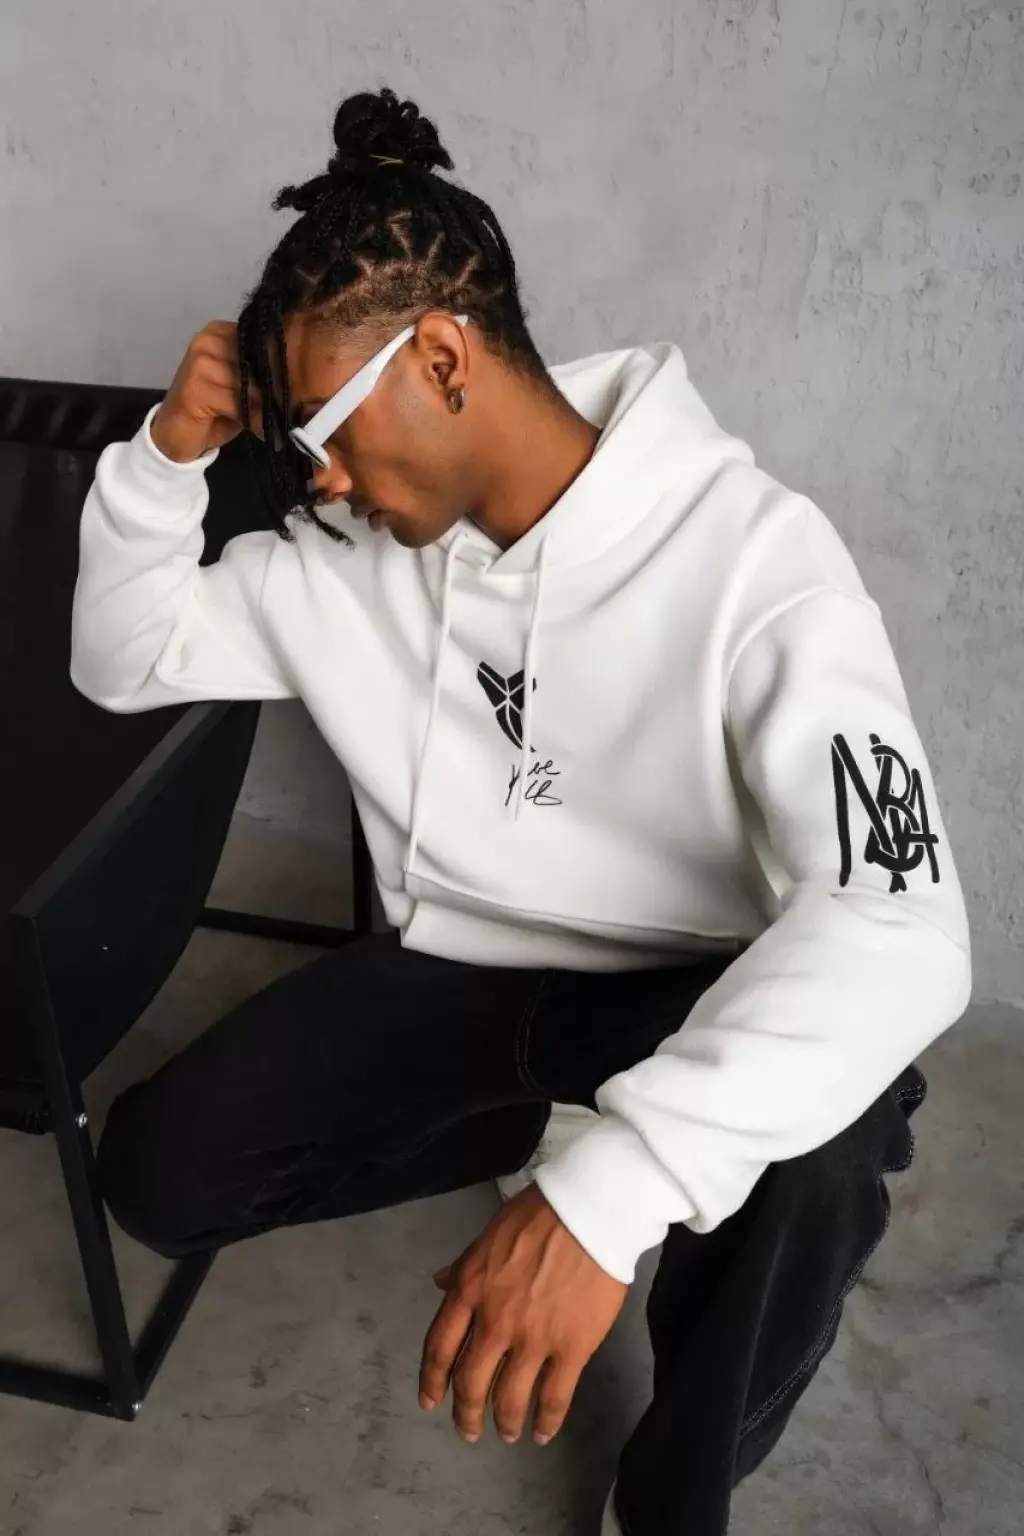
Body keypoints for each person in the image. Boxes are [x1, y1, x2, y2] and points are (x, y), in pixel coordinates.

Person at [70, 86, 971, 1535]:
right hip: (463, 979)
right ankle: (560, 1123)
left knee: (831, 1122)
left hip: (686, 989)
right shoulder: (347, 554)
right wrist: (170, 456)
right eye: (300, 452)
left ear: (441, 357)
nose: (321, 479)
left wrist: (615, 1191)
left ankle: (673, 1491)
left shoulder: (756, 562)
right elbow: (121, 661)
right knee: (156, 1176)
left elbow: (903, 926)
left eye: (329, 435)